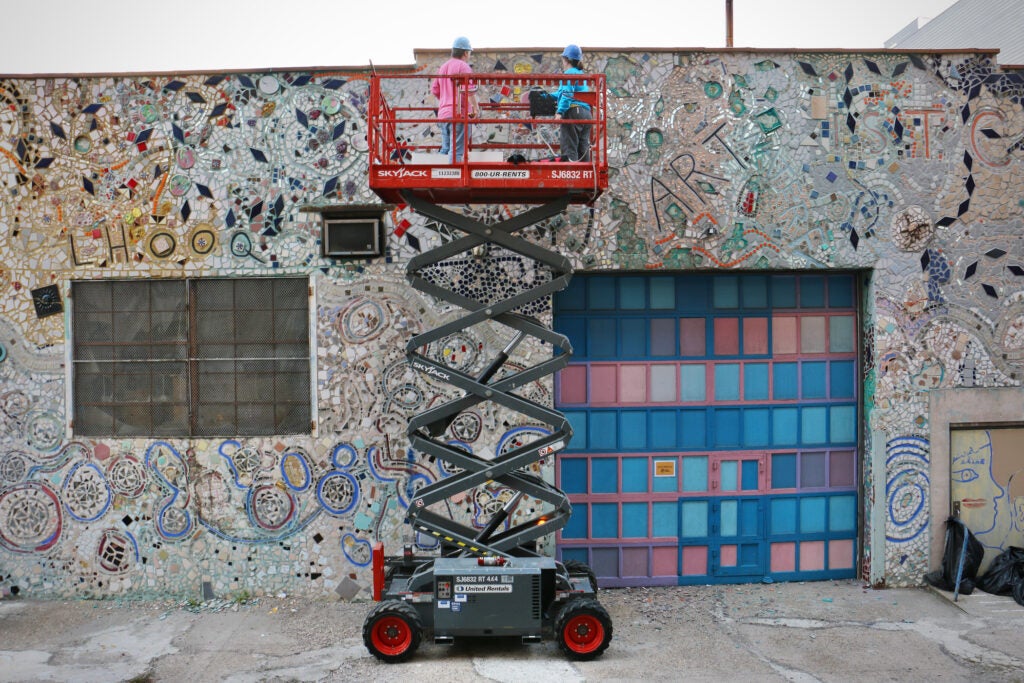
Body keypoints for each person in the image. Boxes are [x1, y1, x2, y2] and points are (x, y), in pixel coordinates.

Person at [431, 36, 480, 163]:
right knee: (456, 152)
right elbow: (468, 90)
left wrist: (446, 100)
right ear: (465, 52)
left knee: (446, 150)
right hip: (458, 114)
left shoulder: (443, 67)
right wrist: (475, 108)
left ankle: (441, 178)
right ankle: (453, 180)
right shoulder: (463, 67)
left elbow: (435, 90)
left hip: (443, 115)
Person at [552, 44, 591, 162]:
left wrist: (559, 112)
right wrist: (546, 96)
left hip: (574, 112)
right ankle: (585, 177)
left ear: (566, 59)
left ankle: (571, 178)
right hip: (586, 114)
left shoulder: (569, 73)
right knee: (583, 149)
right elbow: (562, 93)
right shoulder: (580, 74)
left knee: (570, 147)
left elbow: (567, 93)